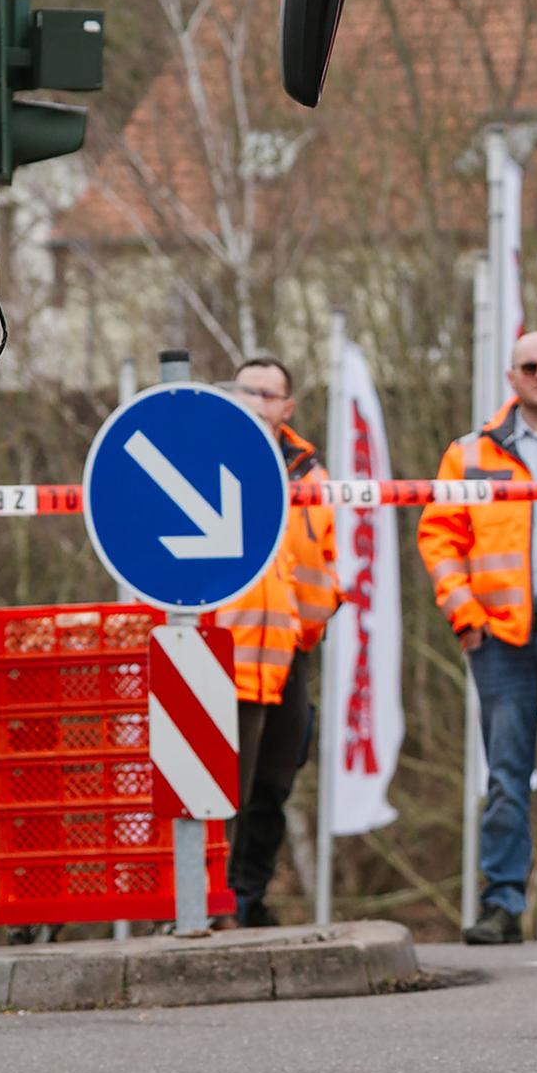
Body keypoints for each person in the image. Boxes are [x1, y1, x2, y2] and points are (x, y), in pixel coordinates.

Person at [417, 330, 537, 944]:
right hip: (498, 637)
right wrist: (464, 613)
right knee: (505, 775)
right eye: (531, 366)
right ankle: (501, 904)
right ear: (512, 376)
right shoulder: (470, 452)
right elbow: (439, 536)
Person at [213, 355, 339, 929]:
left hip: (290, 650)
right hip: (225, 651)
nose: (256, 404)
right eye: (246, 392)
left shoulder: (309, 473)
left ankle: (247, 894)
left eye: (267, 395)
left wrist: (309, 629)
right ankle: (213, 900)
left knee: (276, 779)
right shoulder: (209, 456)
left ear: (287, 407)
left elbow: (323, 561)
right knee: (221, 785)